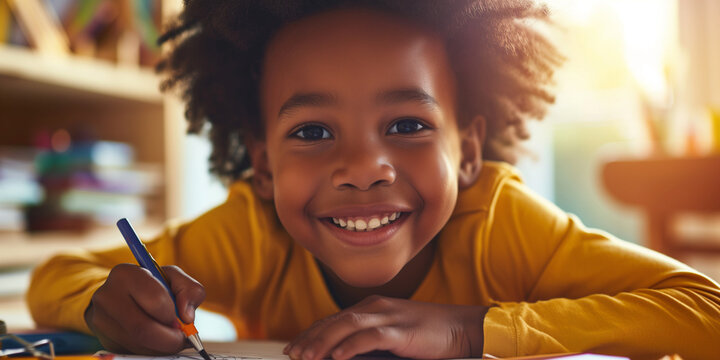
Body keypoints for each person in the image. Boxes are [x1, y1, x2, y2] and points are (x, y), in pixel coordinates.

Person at [26, 1, 720, 360]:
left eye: (409, 125)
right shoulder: (252, 232)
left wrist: (472, 333)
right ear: (263, 165)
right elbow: (54, 275)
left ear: (469, 150)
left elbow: (705, 311)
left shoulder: (499, 225)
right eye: (313, 132)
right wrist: (103, 306)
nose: (362, 168)